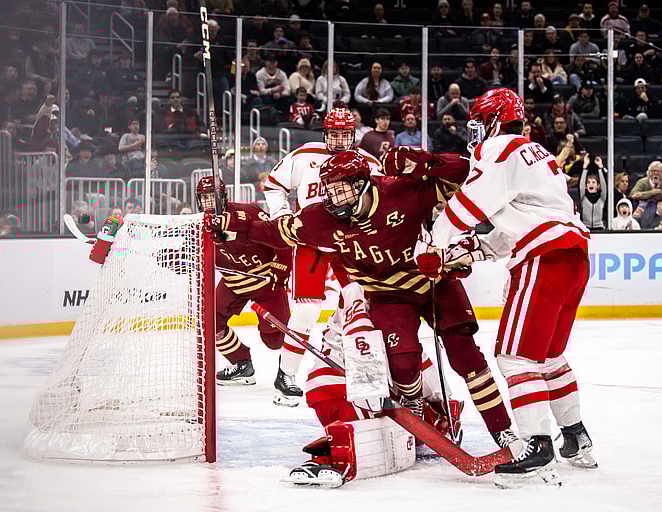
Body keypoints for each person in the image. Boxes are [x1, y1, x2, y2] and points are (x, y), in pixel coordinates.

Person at [213, 149, 521, 459]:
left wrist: (426, 161)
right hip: (387, 294)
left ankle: (503, 431)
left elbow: (464, 173)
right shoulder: (320, 218)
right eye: (329, 190)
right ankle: (416, 407)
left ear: (362, 183)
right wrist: (236, 228)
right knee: (403, 364)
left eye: (341, 189)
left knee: (467, 357)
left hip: (433, 281)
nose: (333, 198)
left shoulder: (399, 191)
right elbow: (277, 233)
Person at [426, 88, 596, 487]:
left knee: (515, 358)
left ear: (494, 121)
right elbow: (521, 221)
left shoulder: (499, 148)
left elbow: (470, 204)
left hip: (544, 260)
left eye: (480, 123)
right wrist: (476, 250)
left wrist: (434, 244)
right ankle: (576, 437)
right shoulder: (539, 155)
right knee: (548, 357)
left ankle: (537, 445)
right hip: (573, 257)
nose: (476, 133)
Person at [287, 281, 463, 487]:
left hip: (364, 386)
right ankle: (326, 459)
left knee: (410, 401)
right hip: (337, 389)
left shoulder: (391, 297)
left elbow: (415, 361)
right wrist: (375, 406)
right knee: (373, 427)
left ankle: (436, 420)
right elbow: (361, 344)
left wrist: (445, 404)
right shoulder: (357, 292)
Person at [261, 107, 381, 405]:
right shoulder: (305, 155)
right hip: (310, 241)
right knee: (306, 312)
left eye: (345, 135)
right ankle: (286, 374)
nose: (339, 141)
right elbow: (273, 185)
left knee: (360, 302)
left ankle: (364, 370)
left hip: (349, 242)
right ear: (325, 133)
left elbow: (384, 199)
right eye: (334, 134)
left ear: (353, 135)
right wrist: (282, 216)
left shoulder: (367, 163)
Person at [195, 176, 296, 396]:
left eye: (213, 197)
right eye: (204, 198)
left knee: (273, 340)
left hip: (266, 282)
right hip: (233, 283)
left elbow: (281, 237)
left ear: (223, 197)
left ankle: (288, 370)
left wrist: (280, 271)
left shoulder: (248, 212)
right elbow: (192, 255)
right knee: (209, 321)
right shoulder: (199, 225)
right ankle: (241, 364)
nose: (209, 203)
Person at [578, 154, 607, 230]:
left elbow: (604, 185)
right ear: (586, 185)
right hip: (585, 228)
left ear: (598, 186)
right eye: (588, 182)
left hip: (599, 228)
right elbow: (581, 186)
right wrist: (585, 167)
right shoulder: (583, 197)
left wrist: (600, 167)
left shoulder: (602, 198)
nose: (591, 184)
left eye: (593, 182)